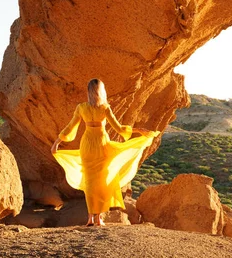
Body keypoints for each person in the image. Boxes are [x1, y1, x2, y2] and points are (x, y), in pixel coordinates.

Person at [51, 78, 160, 226]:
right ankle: (98, 218)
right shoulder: (105, 108)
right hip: (102, 145)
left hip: (87, 145)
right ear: (101, 91)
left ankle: (91, 218)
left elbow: (70, 127)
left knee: (90, 182)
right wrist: (139, 130)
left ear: (88, 92)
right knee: (102, 182)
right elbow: (120, 129)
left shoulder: (81, 107)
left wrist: (57, 142)